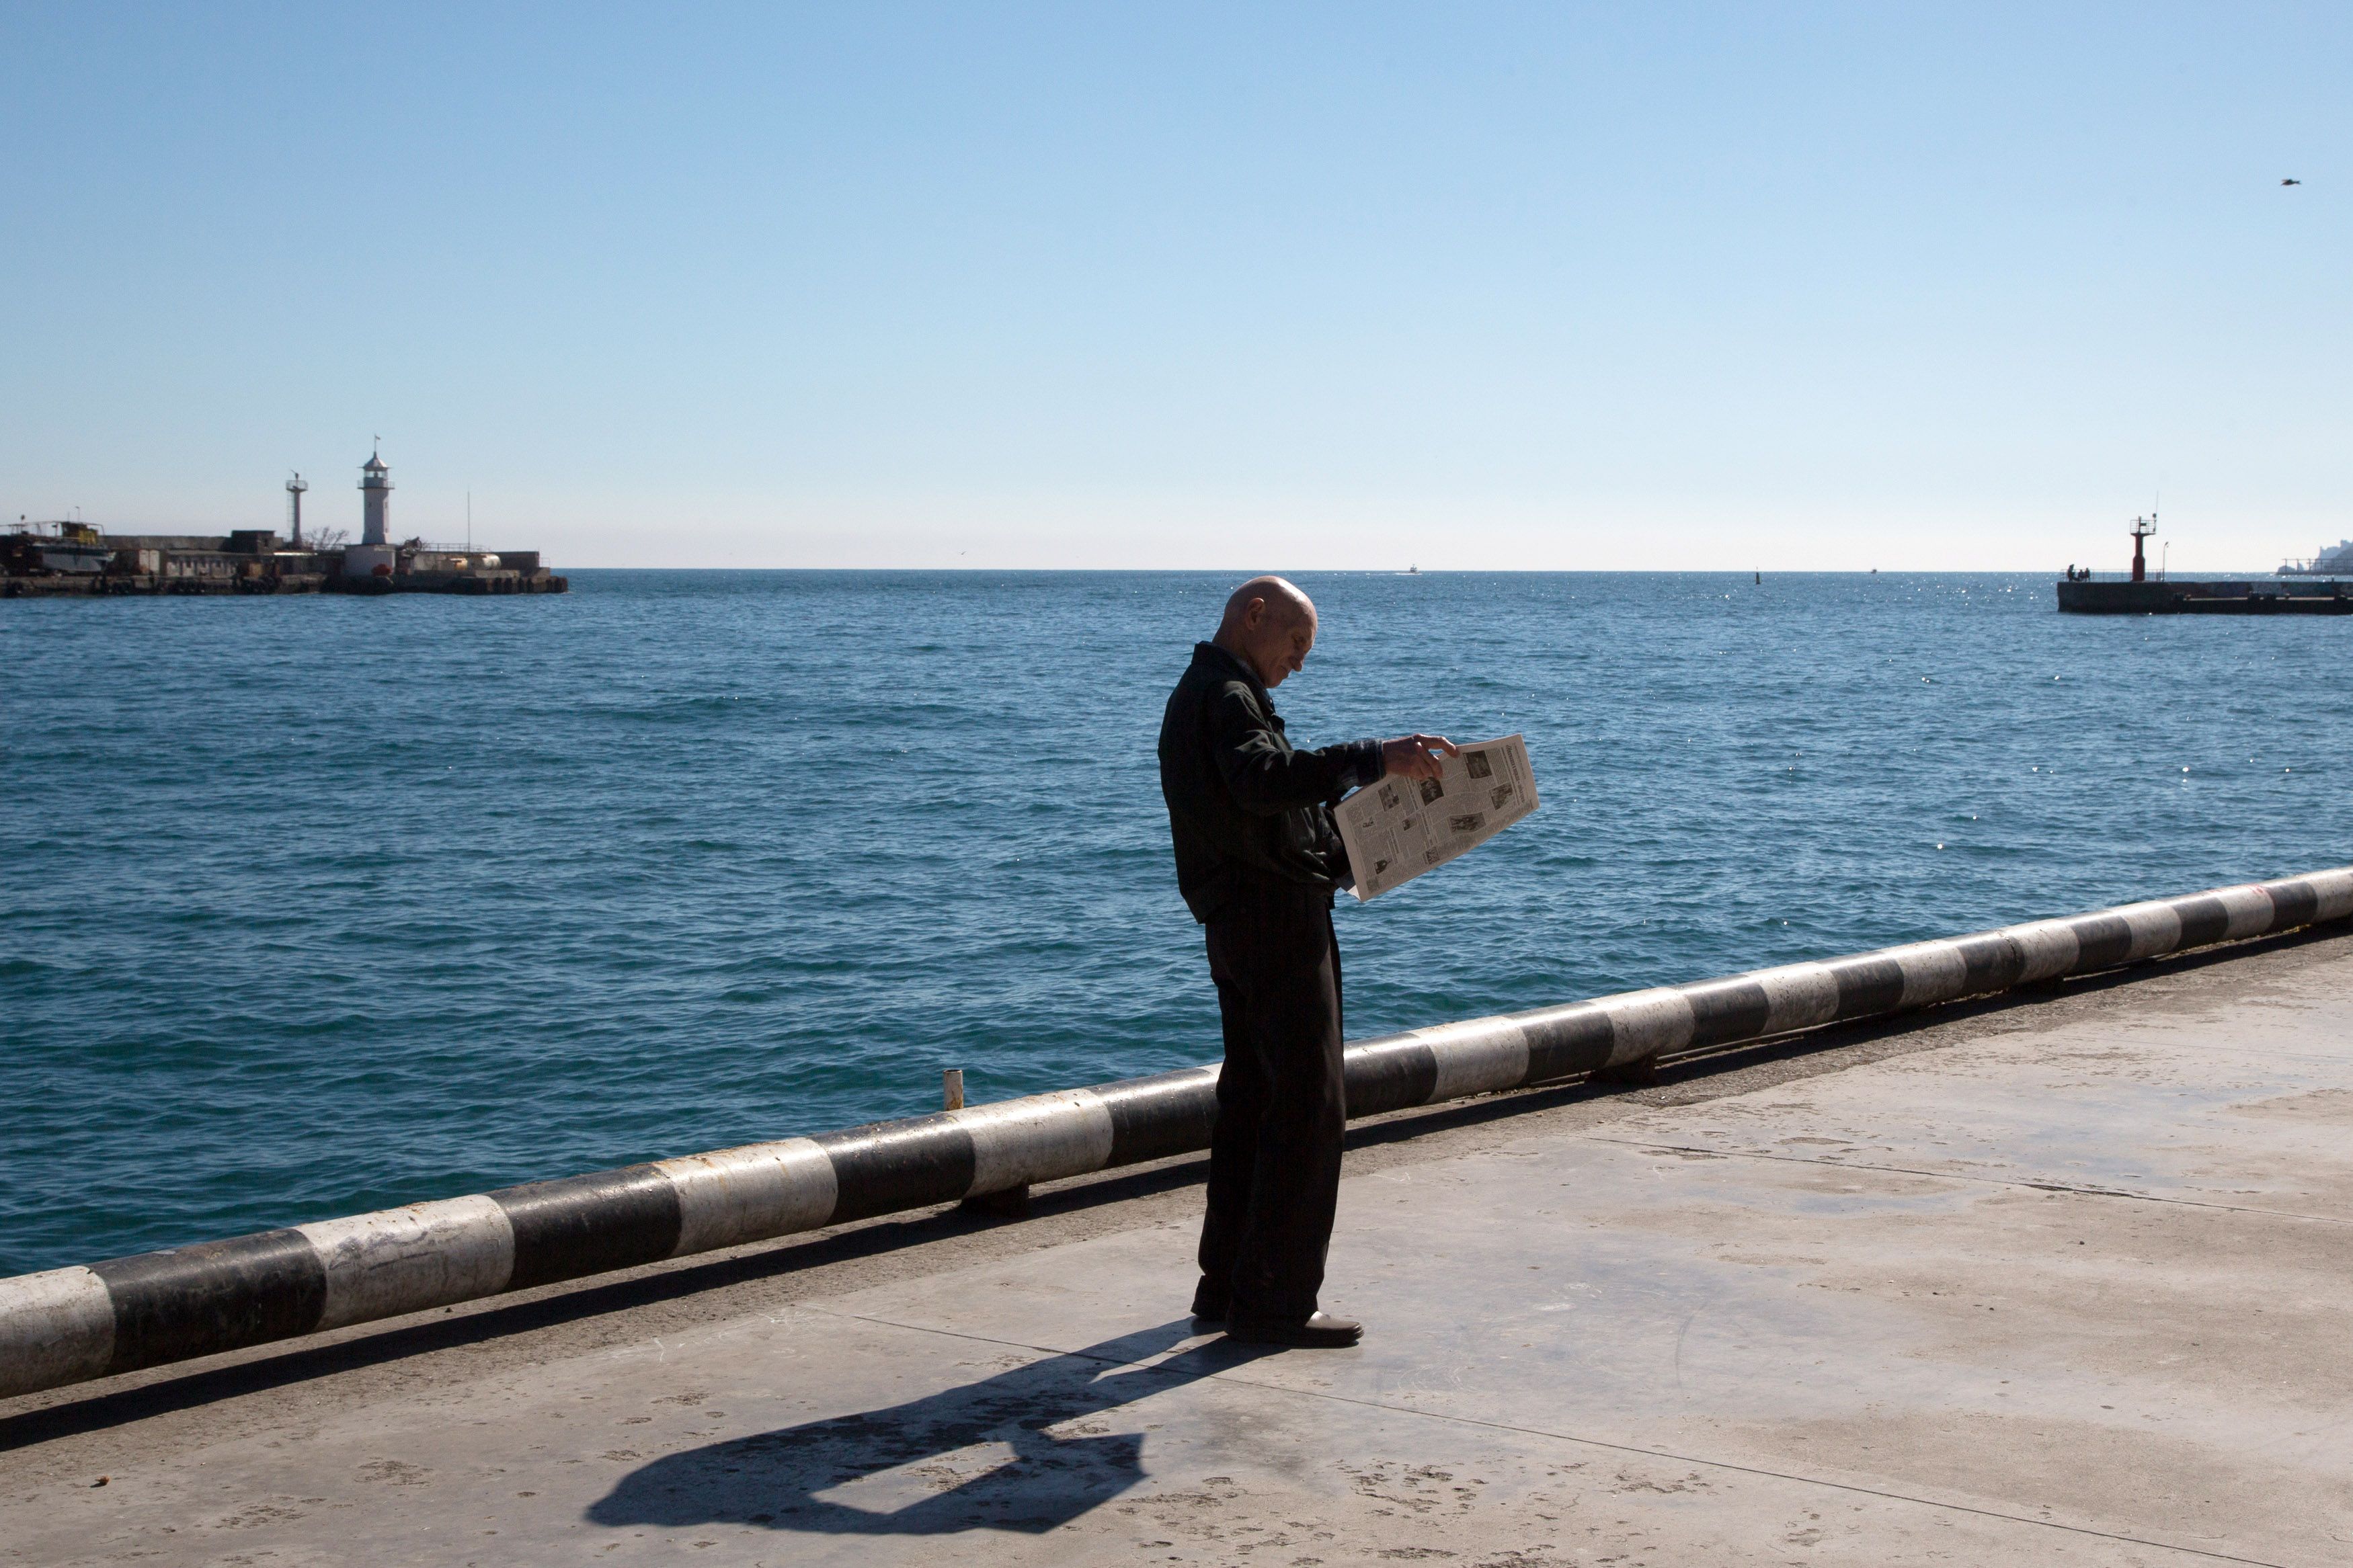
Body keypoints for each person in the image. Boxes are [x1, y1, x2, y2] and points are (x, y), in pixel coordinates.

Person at [1156, 575, 1453, 1348]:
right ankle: (1276, 1300)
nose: (1296, 664)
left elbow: (1257, 810)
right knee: (1308, 1105)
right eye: (1293, 645)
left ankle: (1225, 1283)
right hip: (1272, 925)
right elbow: (1262, 784)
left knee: (1254, 1099)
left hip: (1242, 920)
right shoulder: (1223, 697)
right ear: (1254, 616)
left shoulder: (1211, 694)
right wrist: (1371, 757)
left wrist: (1341, 848)